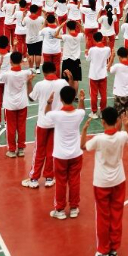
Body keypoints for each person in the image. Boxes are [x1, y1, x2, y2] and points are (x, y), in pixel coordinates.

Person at [84, 106, 128, 256]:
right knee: (116, 215)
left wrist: (84, 130)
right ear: (117, 121)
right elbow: (127, 135)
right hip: (119, 180)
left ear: (102, 121)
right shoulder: (122, 136)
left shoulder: (98, 139)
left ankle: (103, 251)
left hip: (102, 182)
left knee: (103, 216)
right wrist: (126, 126)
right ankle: (113, 250)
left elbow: (83, 147)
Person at [47, 85, 87, 220]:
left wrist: (49, 102)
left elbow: (46, 114)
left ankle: (60, 209)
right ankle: (74, 208)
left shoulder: (56, 115)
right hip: (76, 153)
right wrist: (81, 99)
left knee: (61, 182)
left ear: (61, 99)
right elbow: (82, 110)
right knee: (75, 180)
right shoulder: (79, 114)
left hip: (60, 155)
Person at [0, 51, 33, 158]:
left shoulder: (6, 74)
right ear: (21, 61)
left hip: (10, 104)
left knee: (11, 128)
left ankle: (11, 150)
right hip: (22, 103)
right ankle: (21, 149)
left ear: (10, 61)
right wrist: (30, 63)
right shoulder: (25, 73)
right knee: (21, 127)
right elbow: (32, 71)